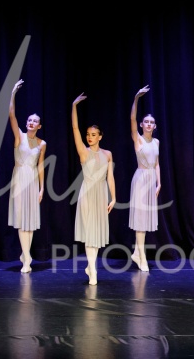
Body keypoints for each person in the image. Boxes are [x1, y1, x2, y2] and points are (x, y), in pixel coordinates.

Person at [71, 93, 116, 285]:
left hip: (101, 194)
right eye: (88, 134)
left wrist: (113, 198)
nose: (89, 137)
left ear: (100, 136)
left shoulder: (108, 154)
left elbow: (110, 177)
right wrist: (74, 106)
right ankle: (94, 270)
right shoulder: (83, 151)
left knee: (96, 233)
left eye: (93, 135)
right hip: (87, 193)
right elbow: (75, 128)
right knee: (90, 232)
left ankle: (91, 266)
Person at [8, 79, 47, 273]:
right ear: (26, 123)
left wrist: (42, 188)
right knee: (22, 218)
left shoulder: (42, 143)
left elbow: (40, 166)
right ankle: (26, 259)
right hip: (19, 178)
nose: (31, 122)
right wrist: (13, 93)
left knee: (30, 220)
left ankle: (26, 254)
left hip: (32, 179)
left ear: (39, 126)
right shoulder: (19, 136)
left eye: (35, 121)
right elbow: (11, 114)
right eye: (29, 120)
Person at [128, 85, 161, 272]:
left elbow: (157, 164)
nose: (148, 124)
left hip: (151, 180)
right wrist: (136, 99)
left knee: (145, 219)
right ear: (142, 125)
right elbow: (132, 118)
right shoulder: (138, 139)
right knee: (140, 219)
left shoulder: (156, 142)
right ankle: (142, 257)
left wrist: (159, 183)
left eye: (151, 122)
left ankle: (137, 253)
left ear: (154, 126)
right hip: (140, 179)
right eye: (146, 122)